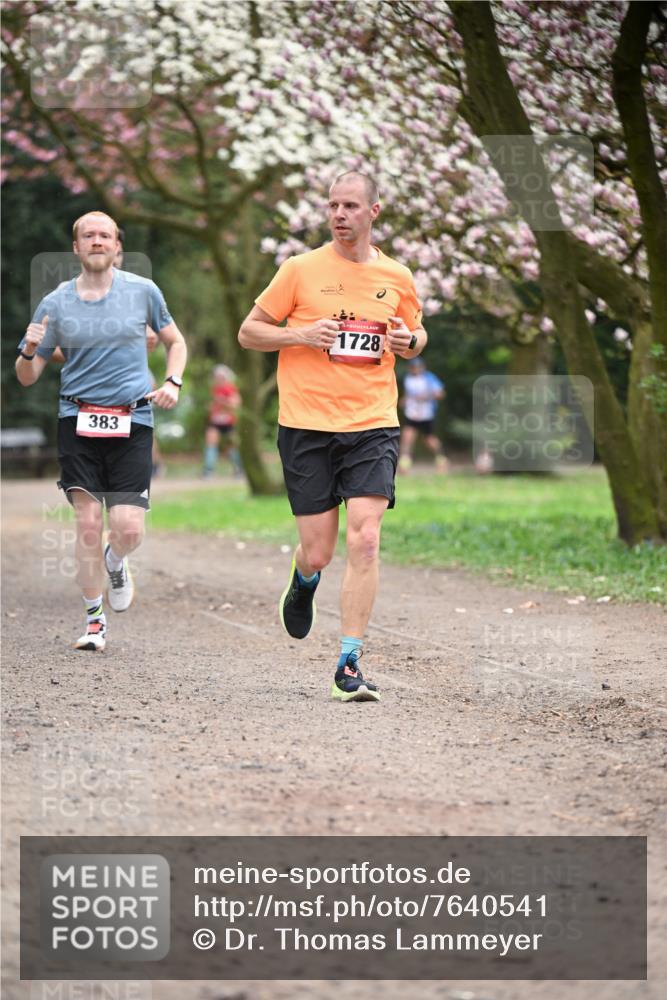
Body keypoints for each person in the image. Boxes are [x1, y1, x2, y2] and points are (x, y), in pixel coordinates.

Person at [238, 171, 427, 702]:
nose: (339, 214)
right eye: (332, 206)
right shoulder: (299, 270)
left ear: (374, 212)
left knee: (365, 536)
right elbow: (249, 332)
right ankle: (304, 579)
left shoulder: (397, 275)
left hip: (372, 422)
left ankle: (349, 661)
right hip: (306, 425)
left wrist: (408, 339)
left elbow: (415, 333)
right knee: (319, 551)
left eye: (350, 206)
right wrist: (299, 334)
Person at [16, 210, 187, 652]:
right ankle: (94, 622)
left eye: (104, 235)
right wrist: (31, 349)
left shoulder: (143, 291)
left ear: (117, 247)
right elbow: (27, 375)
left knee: (128, 529)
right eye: (88, 235)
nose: (96, 241)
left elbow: (175, 341)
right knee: (89, 524)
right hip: (77, 418)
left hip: (133, 419)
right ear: (75, 247)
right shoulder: (55, 302)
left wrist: (172, 381)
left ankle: (116, 561)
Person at [398, 356, 448, 473]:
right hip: (412, 414)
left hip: (426, 414)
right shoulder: (408, 379)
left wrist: (427, 396)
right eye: (412, 367)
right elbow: (409, 394)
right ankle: (404, 464)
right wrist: (404, 400)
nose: (414, 369)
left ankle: (442, 459)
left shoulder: (429, 378)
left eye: (417, 367)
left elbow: (440, 394)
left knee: (429, 439)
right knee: (407, 438)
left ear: (422, 367)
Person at [202, 364, 242, 477]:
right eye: (216, 377)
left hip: (229, 423)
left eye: (221, 377)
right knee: (210, 445)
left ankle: (238, 469)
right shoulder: (214, 390)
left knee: (232, 447)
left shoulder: (231, 389)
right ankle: (208, 470)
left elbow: (236, 405)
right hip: (215, 422)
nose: (218, 379)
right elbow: (213, 405)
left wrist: (223, 402)